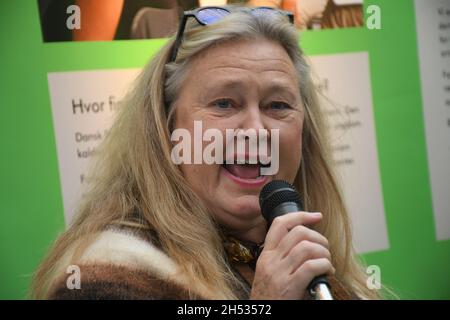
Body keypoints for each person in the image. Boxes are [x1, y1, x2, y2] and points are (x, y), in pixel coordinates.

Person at [32, 5, 379, 300]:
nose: (257, 132)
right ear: (168, 129)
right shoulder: (108, 274)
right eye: (224, 103)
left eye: (277, 105)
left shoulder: (317, 262)